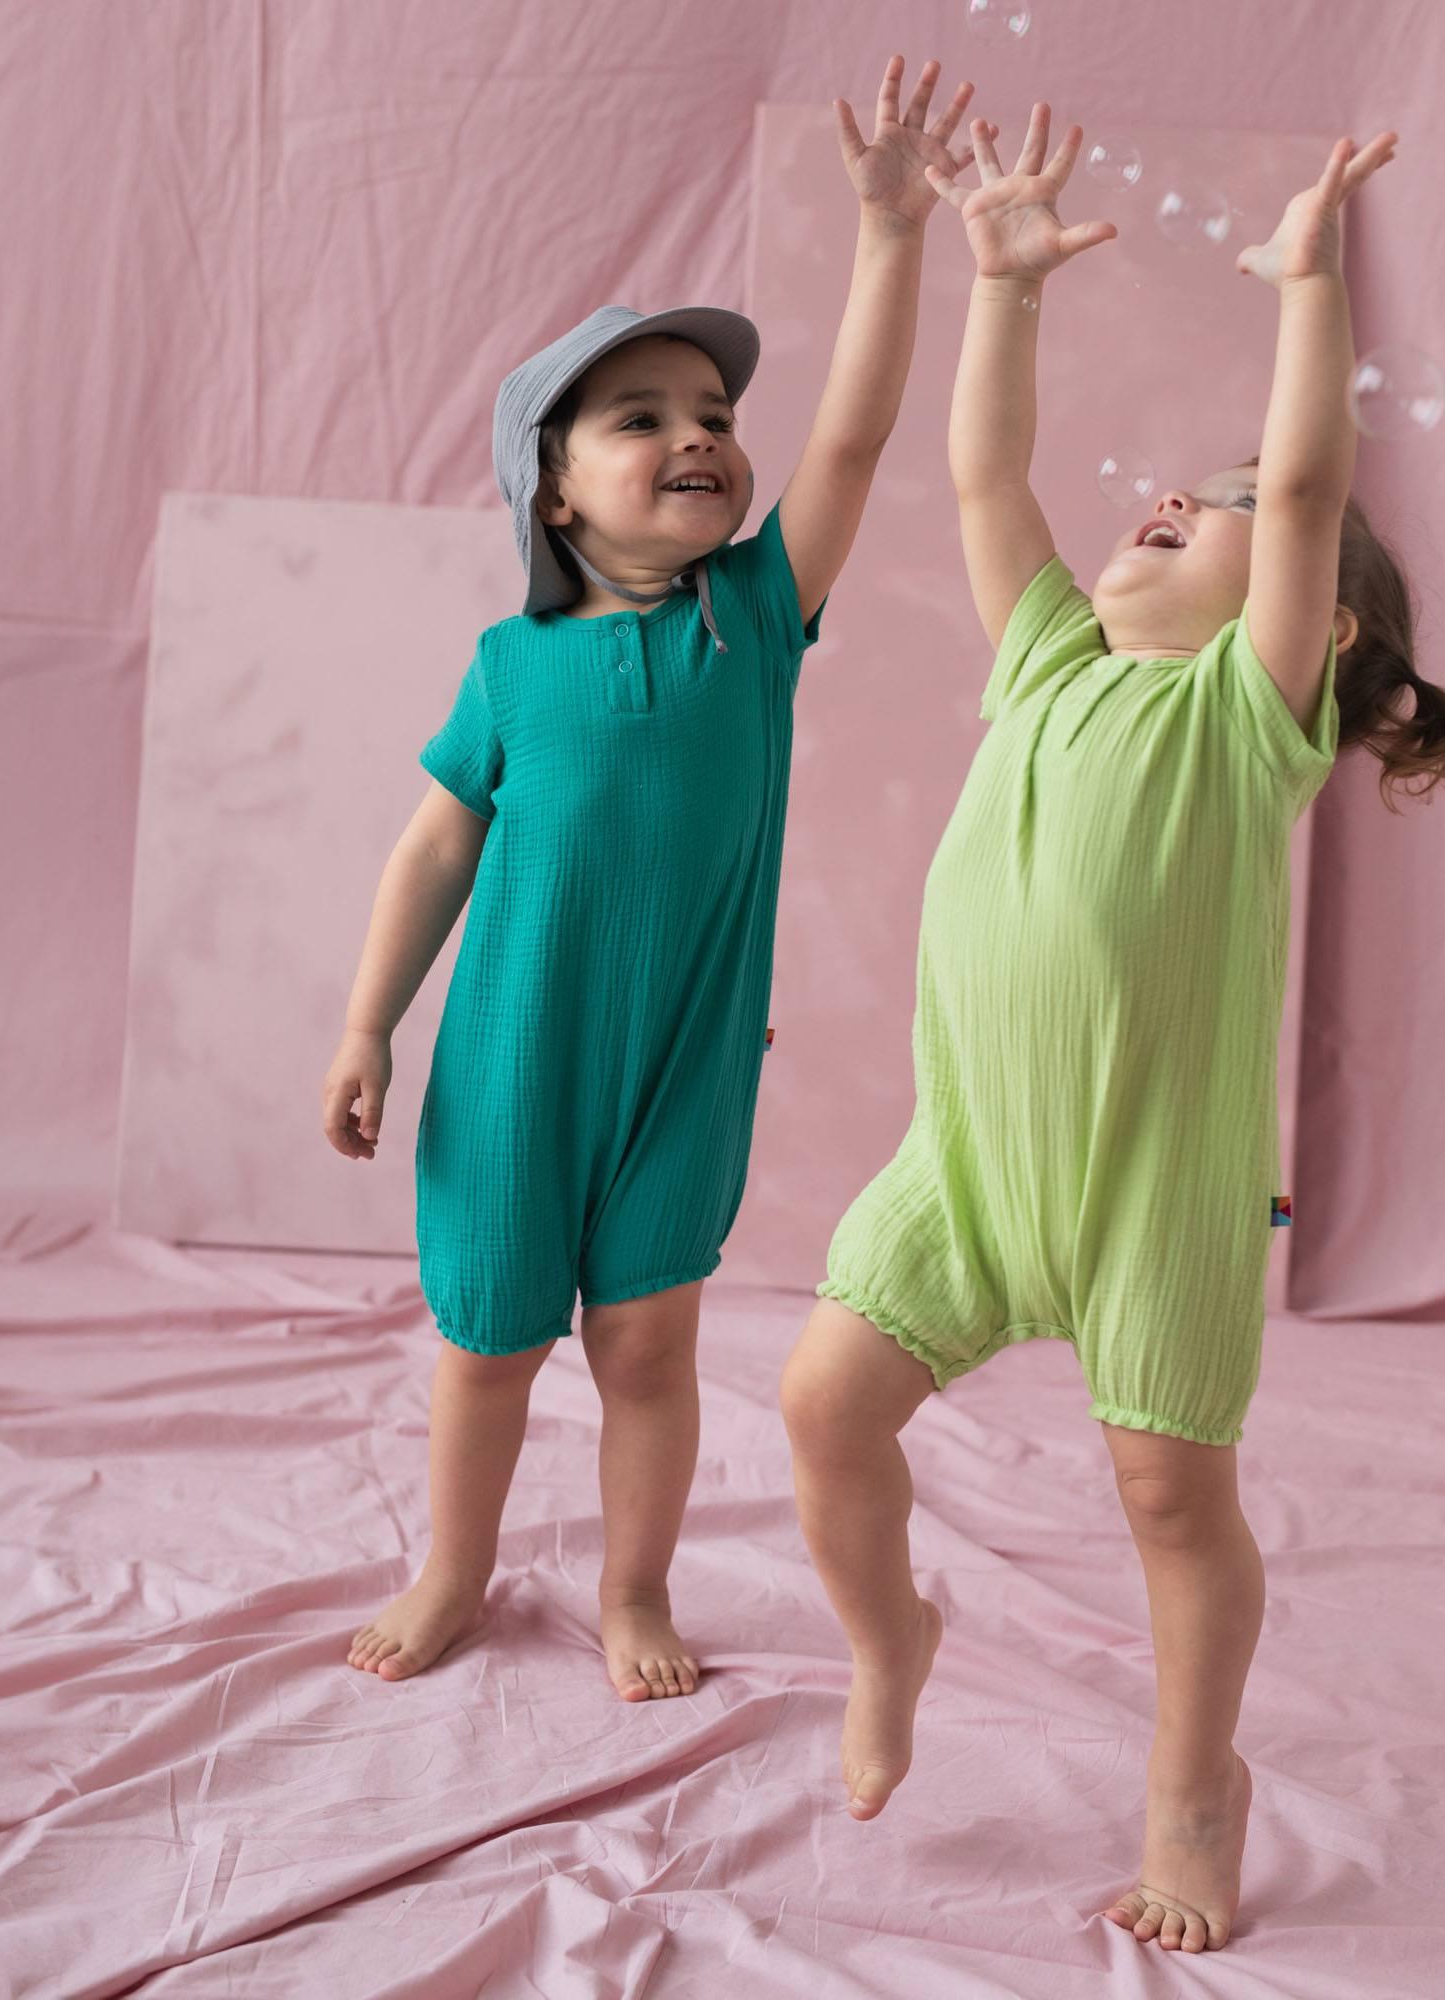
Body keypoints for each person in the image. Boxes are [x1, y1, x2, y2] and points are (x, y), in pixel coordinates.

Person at [779, 105, 1445, 1952]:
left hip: (1162, 1185)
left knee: (1173, 1496)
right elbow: (984, 479)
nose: (1180, 495)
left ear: (1310, 629)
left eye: (1222, 504)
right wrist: (1001, 288)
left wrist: (1307, 286)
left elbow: (1313, 489)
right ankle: (887, 1644)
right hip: (972, 1162)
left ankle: (1193, 1787)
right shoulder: (1049, 660)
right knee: (822, 1406)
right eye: (1176, 485)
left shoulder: (1248, 723)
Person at [321, 57, 999, 1702]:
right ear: (555, 487)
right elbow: (434, 845)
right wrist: (366, 1028)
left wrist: (890, 233)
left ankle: (633, 1589)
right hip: (507, 1060)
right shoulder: (511, 663)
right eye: (644, 419)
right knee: (488, 1349)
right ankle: (454, 1570)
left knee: (646, 1347)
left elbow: (850, 433)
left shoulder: (752, 621)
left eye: (713, 418)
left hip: (683, 1068)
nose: (699, 436)